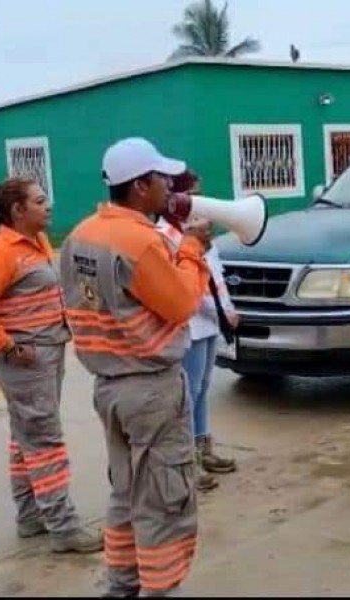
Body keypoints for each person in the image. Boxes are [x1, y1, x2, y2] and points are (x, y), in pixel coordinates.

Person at [59, 138, 210, 597]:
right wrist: (190, 249)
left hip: (109, 387)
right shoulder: (140, 242)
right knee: (166, 498)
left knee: (126, 494)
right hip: (150, 388)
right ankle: (160, 589)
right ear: (140, 185)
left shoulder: (80, 235)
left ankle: (121, 585)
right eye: (163, 179)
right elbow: (182, 303)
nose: (171, 186)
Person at [0, 177, 103, 554]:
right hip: (26, 362)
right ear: (18, 211)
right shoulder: (2, 253)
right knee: (44, 441)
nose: (49, 205)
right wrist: (7, 347)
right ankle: (63, 526)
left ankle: (30, 517)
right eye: (40, 201)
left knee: (26, 437)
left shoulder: (36, 243)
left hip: (47, 354)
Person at [157, 170, 239, 493]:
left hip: (206, 324)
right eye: (192, 196)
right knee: (187, 393)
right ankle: (187, 457)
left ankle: (204, 447)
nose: (198, 203)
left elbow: (214, 276)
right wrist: (220, 311)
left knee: (203, 387)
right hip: (188, 323)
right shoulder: (165, 236)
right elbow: (186, 288)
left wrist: (226, 310)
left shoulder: (201, 236)